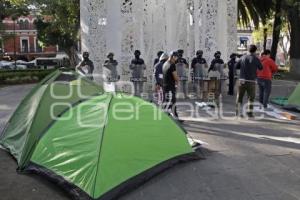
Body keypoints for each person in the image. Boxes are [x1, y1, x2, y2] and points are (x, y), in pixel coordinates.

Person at [236, 45, 263, 117]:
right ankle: (249, 113)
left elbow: (236, 66)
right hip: (251, 81)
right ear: (255, 51)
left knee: (239, 97)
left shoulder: (242, 57)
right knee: (251, 98)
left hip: (242, 80)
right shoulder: (256, 59)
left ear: (248, 50)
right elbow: (261, 68)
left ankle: (238, 113)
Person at [163, 51, 180, 118]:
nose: (176, 59)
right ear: (173, 56)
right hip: (170, 86)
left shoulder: (165, 64)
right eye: (176, 57)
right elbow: (175, 77)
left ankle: (166, 116)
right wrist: (177, 82)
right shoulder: (172, 64)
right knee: (172, 102)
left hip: (165, 86)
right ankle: (175, 117)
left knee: (167, 101)